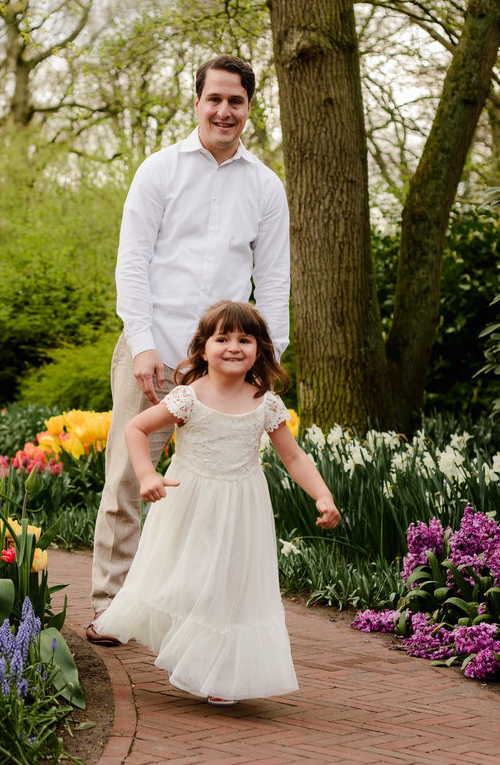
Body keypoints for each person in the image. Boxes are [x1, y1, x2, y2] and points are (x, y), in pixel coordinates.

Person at [88, 54, 291, 645]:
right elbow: (133, 263)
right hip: (152, 346)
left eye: (236, 101)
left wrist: (265, 361)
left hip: (225, 360)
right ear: (197, 102)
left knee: (212, 490)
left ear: (250, 109)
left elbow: (273, 279)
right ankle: (110, 602)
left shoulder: (265, 186)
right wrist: (145, 346)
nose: (224, 111)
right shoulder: (158, 171)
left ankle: (191, 615)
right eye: (215, 99)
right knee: (129, 475)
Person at [91, 300, 340, 706]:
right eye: (222, 338)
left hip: (242, 508)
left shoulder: (265, 402)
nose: (233, 347)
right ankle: (185, 651)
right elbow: (136, 428)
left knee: (228, 587)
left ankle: (220, 673)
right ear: (203, 348)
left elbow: (293, 456)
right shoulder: (188, 397)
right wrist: (147, 475)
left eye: (245, 339)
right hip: (190, 504)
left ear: (260, 349)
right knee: (190, 582)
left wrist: (322, 494)